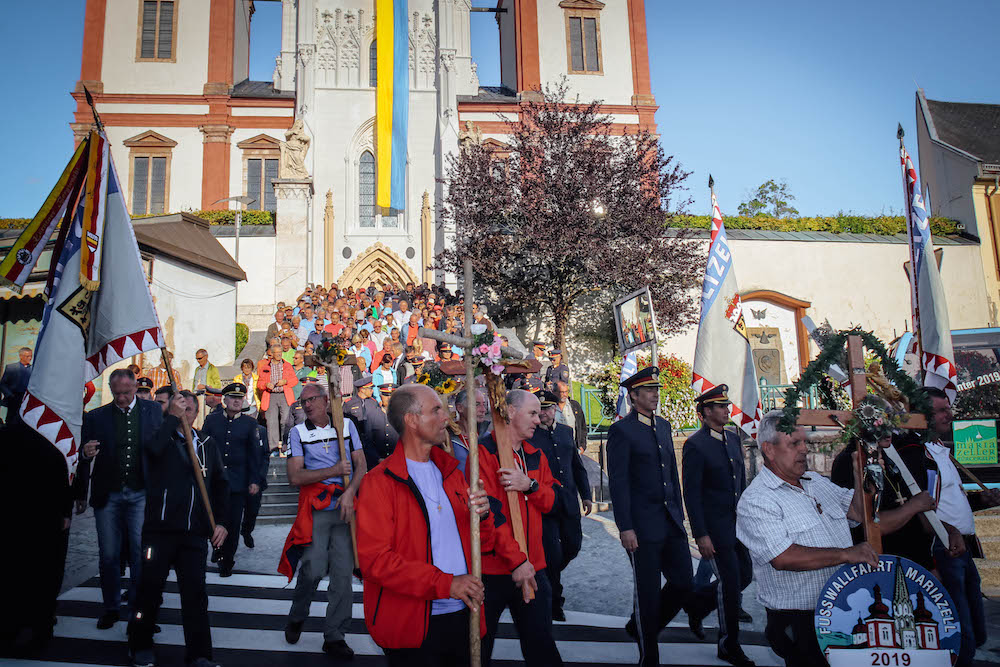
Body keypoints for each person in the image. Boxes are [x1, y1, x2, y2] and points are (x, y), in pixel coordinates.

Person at [356, 384, 494, 665]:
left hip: (464, 613)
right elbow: (376, 562)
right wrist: (446, 584)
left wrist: (483, 516)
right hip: (412, 623)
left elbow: (483, 543)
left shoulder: (452, 472)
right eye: (436, 410)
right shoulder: (378, 483)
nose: (446, 417)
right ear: (412, 420)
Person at [736, 409, 877, 667]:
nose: (804, 450)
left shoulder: (816, 483)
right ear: (769, 449)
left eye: (805, 442)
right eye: (794, 443)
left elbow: (858, 512)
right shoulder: (757, 500)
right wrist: (847, 554)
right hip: (800, 622)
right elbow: (782, 557)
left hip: (842, 611)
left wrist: (859, 475)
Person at [606, 366, 713, 667]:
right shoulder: (622, 431)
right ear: (634, 395)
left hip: (670, 523)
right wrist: (625, 527)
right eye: (649, 390)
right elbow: (619, 483)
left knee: (683, 583)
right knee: (647, 594)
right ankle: (648, 655)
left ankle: (641, 626)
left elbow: (671, 477)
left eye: (657, 390)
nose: (655, 395)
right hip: (642, 527)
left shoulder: (663, 426)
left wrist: (680, 517)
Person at [127, 391, 229, 667]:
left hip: (194, 534)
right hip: (159, 531)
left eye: (189, 410)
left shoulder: (207, 443)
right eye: (180, 409)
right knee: (149, 590)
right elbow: (153, 452)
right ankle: (140, 644)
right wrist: (171, 419)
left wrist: (220, 522)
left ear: (196, 414)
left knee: (196, 596)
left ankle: (199, 655)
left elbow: (220, 485)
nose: (186, 414)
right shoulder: (160, 436)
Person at [278, 382, 367, 660]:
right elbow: (295, 477)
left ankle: (335, 635)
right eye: (303, 402)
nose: (307, 405)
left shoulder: (347, 426)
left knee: (342, 573)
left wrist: (351, 492)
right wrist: (333, 469)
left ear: (326, 400)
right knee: (314, 569)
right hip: (316, 507)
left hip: (345, 505)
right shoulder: (297, 432)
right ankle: (297, 614)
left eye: (312, 400)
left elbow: (361, 464)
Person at [912, 387, 1000, 667]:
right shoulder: (921, 453)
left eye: (948, 408)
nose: (948, 414)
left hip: (961, 545)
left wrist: (979, 500)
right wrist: (948, 531)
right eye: (941, 410)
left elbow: (950, 500)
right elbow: (924, 509)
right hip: (944, 546)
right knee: (959, 628)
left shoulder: (940, 449)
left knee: (975, 622)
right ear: (922, 415)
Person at [475, 389, 563, 667]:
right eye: (533, 413)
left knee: (541, 646)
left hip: (533, 567)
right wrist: (517, 561)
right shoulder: (483, 454)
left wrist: (530, 486)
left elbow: (554, 503)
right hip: (492, 570)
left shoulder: (536, 454)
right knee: (479, 649)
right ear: (511, 412)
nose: (540, 419)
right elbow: (490, 515)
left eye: (539, 413)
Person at [74, 368, 164, 630]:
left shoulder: (152, 411)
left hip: (141, 492)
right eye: (117, 394)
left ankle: (138, 606)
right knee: (109, 554)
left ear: (135, 388)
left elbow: (162, 449)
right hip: (108, 493)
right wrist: (85, 457)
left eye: (126, 393)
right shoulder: (97, 416)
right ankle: (111, 607)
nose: (122, 398)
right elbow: (83, 453)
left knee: (139, 553)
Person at [682, 385, 755, 667]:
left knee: (745, 577)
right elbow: (692, 493)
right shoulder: (696, 445)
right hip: (715, 529)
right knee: (730, 585)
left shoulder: (733, 439)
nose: (727, 410)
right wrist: (700, 534)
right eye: (721, 406)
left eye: (727, 406)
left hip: (738, 526)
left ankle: (696, 604)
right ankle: (728, 645)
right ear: (707, 412)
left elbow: (741, 485)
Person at [529, 390, 593, 622]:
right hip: (545, 504)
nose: (544, 413)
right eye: (540, 409)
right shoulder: (531, 436)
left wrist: (586, 494)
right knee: (552, 554)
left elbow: (577, 466)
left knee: (573, 546)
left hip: (568, 502)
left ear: (555, 409)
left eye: (548, 408)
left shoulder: (566, 432)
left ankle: (544, 576)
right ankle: (555, 602)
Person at [201, 383, 266, 577]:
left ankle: (227, 560)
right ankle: (217, 549)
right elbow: (204, 449)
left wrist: (255, 480)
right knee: (214, 520)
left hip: (238, 483)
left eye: (241, 398)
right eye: (233, 398)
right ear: (225, 400)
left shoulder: (250, 424)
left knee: (233, 522)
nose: (238, 401)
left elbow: (255, 454)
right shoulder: (211, 421)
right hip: (214, 481)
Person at [346, 374, 399, 470]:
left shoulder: (399, 415)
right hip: (372, 456)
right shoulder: (350, 404)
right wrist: (377, 459)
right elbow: (369, 440)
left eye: (392, 395)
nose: (389, 398)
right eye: (386, 395)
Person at [258, 343, 298, 456]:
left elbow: (294, 380)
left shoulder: (287, 365)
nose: (279, 355)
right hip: (271, 396)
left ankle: (286, 447)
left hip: (284, 395)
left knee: (285, 421)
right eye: (277, 353)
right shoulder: (265, 367)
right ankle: (273, 449)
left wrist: (286, 382)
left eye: (280, 352)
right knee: (271, 422)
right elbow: (259, 384)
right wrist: (266, 384)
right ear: (272, 354)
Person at [451, 386, 489, 473]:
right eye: (477, 404)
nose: (483, 410)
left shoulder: (488, 438)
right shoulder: (448, 439)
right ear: (460, 408)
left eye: (484, 404)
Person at [0, 346, 32, 426]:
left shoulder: (33, 369)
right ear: (21, 356)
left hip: (27, 399)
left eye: (31, 356)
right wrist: (10, 395)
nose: (30, 358)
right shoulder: (11, 368)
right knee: (11, 420)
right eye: (27, 356)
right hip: (13, 398)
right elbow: (3, 384)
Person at [553, 381, 587, 454]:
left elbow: (582, 426)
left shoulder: (574, 406)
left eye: (566, 392)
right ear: (554, 392)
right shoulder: (550, 407)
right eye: (562, 392)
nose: (564, 395)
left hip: (573, 449)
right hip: (555, 450)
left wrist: (582, 445)